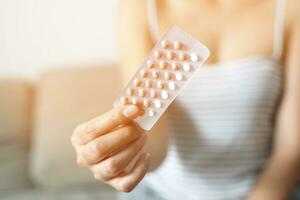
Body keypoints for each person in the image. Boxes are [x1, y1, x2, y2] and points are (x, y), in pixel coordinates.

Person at [71, 0, 300, 199]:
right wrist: (125, 152)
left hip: (263, 189)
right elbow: (152, 133)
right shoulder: (142, 6)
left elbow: (291, 148)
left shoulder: (290, 8)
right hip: (159, 194)